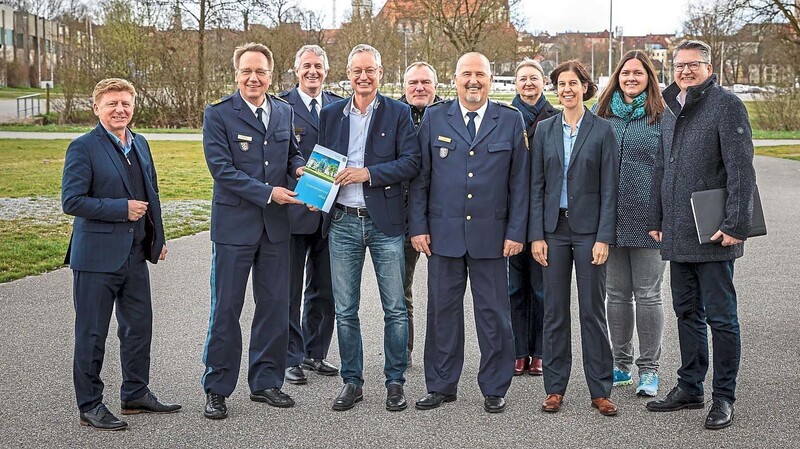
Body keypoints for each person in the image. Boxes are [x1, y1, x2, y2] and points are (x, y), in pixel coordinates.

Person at [645, 40, 756, 431]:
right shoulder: (671, 106)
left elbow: (741, 169)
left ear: (709, 67)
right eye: (679, 65)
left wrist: (735, 225)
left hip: (714, 234)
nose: (685, 71)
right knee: (687, 313)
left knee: (722, 319)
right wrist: (657, 217)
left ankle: (724, 396)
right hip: (677, 232)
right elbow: (662, 166)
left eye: (693, 65)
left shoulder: (726, 105)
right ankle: (690, 386)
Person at [410, 52, 529, 414]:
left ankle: (495, 386)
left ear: (491, 79)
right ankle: (441, 385)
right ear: (455, 78)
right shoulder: (434, 117)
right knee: (442, 312)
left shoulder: (509, 119)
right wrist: (418, 227)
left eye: (480, 74)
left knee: (493, 314)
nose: (473, 81)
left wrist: (516, 232)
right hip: (442, 234)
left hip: (492, 236)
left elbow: (519, 183)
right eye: (466, 74)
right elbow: (420, 180)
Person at [62, 78, 180, 431]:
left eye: (126, 103)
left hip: (134, 255)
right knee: (92, 333)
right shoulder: (83, 147)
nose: (120, 110)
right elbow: (72, 201)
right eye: (112, 103)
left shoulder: (140, 143)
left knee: (138, 328)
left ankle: (135, 393)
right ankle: (90, 404)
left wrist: (157, 239)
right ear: (96, 107)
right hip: (96, 258)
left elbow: (152, 194)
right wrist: (120, 208)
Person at [201, 42, 306, 419]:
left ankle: (265, 382)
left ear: (271, 75)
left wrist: (300, 170)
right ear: (236, 73)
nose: (253, 77)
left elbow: (291, 154)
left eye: (260, 71)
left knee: (274, 307)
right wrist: (269, 193)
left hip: (276, 230)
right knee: (226, 308)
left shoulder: (284, 110)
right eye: (247, 70)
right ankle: (217, 387)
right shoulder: (218, 115)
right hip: (234, 228)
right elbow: (222, 170)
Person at [318, 44, 420, 412]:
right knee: (345, 310)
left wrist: (369, 174)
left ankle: (395, 382)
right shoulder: (331, 115)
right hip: (343, 221)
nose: (363, 77)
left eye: (370, 70)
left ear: (380, 72)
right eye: (357, 70)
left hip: (385, 224)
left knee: (394, 307)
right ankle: (352, 381)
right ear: (348, 74)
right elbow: (319, 160)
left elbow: (411, 161)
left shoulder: (397, 113)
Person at [528, 60, 620, 416]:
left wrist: (604, 237)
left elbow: (611, 188)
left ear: (586, 87)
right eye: (561, 84)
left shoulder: (602, 130)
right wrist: (536, 235)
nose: (567, 89)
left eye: (573, 83)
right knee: (554, 312)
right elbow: (536, 186)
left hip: (589, 234)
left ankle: (600, 389)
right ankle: (555, 388)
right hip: (553, 231)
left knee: (593, 312)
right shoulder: (545, 130)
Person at [593, 50, 667, 397]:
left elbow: (671, 171)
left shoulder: (662, 116)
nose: (631, 78)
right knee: (617, 295)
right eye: (626, 73)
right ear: (617, 78)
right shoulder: (603, 115)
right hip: (610, 221)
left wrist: (666, 215)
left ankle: (649, 370)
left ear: (649, 78)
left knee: (649, 295)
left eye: (638, 73)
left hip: (650, 220)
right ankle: (620, 364)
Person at [278, 45, 343, 385]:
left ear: (327, 70)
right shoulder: (279, 106)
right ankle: (289, 356)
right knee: (288, 289)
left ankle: (315, 353)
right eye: (306, 66)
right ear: (296, 70)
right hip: (292, 212)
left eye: (318, 65)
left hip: (329, 213)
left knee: (324, 288)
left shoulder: (339, 105)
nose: (312, 71)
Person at [508, 58, 558, 377]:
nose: (528, 83)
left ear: (543, 83)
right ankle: (517, 350)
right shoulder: (504, 117)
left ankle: (539, 351)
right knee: (513, 288)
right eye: (523, 78)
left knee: (541, 289)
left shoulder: (554, 117)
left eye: (534, 78)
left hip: (544, 215)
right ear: (515, 84)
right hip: (511, 215)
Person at [397, 61, 442, 367]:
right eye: (413, 82)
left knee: (443, 295)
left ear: (435, 86)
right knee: (401, 290)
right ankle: (404, 352)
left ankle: (440, 357)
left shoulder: (448, 116)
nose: (419, 88)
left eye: (425, 82)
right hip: (401, 218)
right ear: (404, 86)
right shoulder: (392, 115)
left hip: (443, 216)